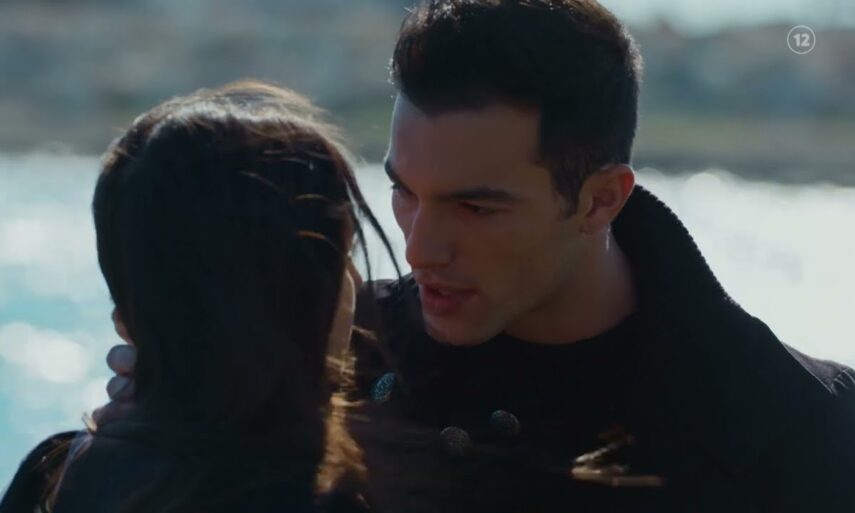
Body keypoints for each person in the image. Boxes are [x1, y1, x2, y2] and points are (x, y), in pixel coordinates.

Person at [81, 1, 855, 512]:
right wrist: (173, 424)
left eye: (475, 207)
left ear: (599, 199)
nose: (418, 247)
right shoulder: (316, 354)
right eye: (403, 192)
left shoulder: (795, 427)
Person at [0, 81, 398, 513]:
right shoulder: (342, 493)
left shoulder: (54, 478)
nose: (357, 281)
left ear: (126, 320)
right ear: (309, 290)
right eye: (342, 256)